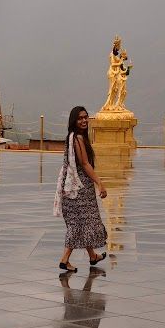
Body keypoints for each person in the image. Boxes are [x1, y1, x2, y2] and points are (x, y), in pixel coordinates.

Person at [54, 106, 108, 272]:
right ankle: (64, 260)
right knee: (79, 224)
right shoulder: (77, 138)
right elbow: (84, 164)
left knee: (81, 223)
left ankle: (92, 256)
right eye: (80, 118)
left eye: (85, 117)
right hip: (79, 188)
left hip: (75, 187)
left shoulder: (74, 137)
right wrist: (100, 182)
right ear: (73, 121)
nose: (84, 121)